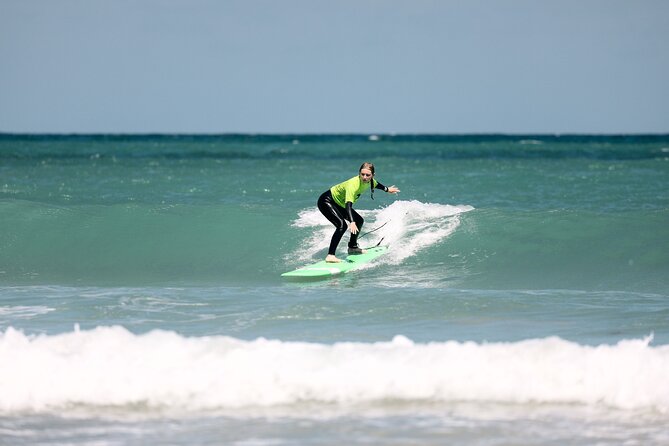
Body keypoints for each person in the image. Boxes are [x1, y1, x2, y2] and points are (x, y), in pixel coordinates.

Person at [317, 162, 400, 263]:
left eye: (367, 175)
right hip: (327, 201)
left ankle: (352, 247)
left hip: (339, 203)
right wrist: (351, 222)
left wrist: (387, 189)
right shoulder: (353, 184)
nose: (364, 177)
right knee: (342, 225)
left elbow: (377, 184)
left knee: (359, 220)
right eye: (362, 174)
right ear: (359, 173)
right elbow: (348, 205)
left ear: (372, 175)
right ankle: (330, 255)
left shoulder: (371, 181)